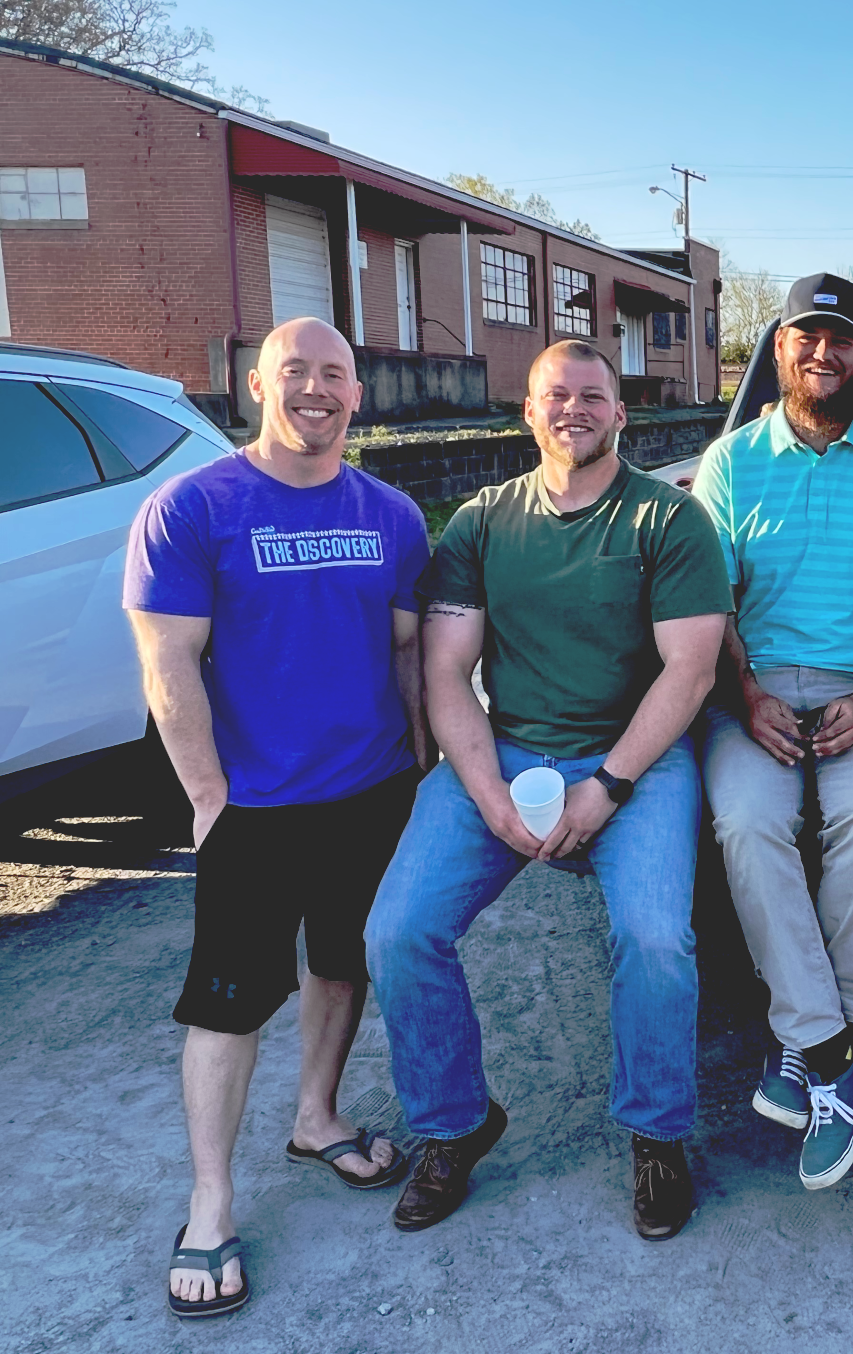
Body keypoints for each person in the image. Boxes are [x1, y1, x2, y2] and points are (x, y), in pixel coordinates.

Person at [364, 339, 731, 1240]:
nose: (573, 409)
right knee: (399, 929)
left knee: (653, 938)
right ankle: (453, 1126)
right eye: (554, 395)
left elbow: (689, 673)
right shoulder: (482, 524)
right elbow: (448, 671)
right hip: (507, 754)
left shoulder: (668, 522)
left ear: (620, 413)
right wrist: (488, 791)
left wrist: (605, 788)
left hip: (634, 761)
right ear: (526, 411)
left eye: (592, 396)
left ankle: (655, 1132)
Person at [125, 317, 431, 1318]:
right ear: (256, 385)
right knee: (227, 1002)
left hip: (373, 791)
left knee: (343, 964)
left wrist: (424, 769)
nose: (315, 390)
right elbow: (167, 666)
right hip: (254, 803)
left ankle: (318, 1116)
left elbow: (403, 654)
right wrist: (210, 799)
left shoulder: (393, 515)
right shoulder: (193, 508)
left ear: (358, 393)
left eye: (333, 375)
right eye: (293, 372)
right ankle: (210, 1201)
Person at [691, 274, 853, 1191]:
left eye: (840, 339)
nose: (823, 353)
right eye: (806, 336)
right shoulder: (730, 463)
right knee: (747, 824)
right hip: (746, 690)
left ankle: (808, 1038)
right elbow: (709, 601)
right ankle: (833, 1047)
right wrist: (749, 691)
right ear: (781, 349)